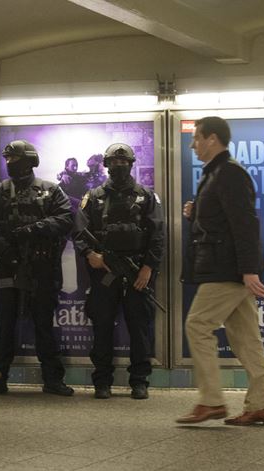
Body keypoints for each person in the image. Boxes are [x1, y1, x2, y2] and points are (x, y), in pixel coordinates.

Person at [176, 116, 264, 426]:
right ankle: (261, 404)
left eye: (197, 138)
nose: (193, 145)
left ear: (212, 139)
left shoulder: (229, 173)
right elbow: (223, 222)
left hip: (227, 269)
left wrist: (248, 270)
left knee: (197, 324)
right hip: (229, 267)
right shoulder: (216, 174)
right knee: (246, 337)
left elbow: (245, 224)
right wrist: (197, 214)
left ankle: (211, 401)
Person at [0, 140, 74, 397]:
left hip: (41, 267)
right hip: (7, 268)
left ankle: (53, 380)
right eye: (7, 159)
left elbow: (66, 219)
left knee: (44, 325)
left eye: (15, 159)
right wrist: (7, 250)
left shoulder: (51, 191)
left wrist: (34, 229)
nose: (10, 164)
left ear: (30, 161)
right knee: (4, 326)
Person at [75, 143, 164, 400]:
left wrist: (148, 268)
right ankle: (102, 381)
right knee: (102, 326)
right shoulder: (94, 196)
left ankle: (140, 381)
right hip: (104, 273)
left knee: (139, 327)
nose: (119, 166)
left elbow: (158, 235)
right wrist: (90, 254)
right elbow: (79, 231)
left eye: (123, 162)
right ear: (106, 165)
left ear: (132, 164)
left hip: (137, 272)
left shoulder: (146, 196)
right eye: (114, 162)